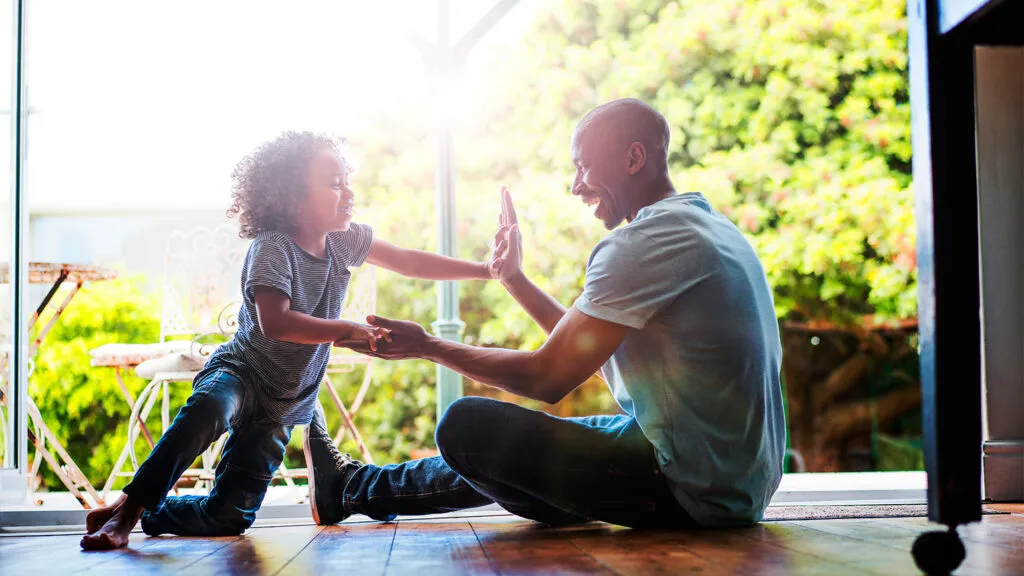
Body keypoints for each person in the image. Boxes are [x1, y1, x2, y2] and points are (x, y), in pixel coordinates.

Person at [305, 98, 786, 529]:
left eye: (584, 167)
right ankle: (350, 490)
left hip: (688, 489)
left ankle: (352, 488)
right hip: (734, 480)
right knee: (540, 440)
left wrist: (425, 345)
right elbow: (582, 349)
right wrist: (512, 277)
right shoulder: (706, 226)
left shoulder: (643, 243)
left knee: (466, 428)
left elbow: (547, 378)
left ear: (633, 158)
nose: (577, 187)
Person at [81, 131, 500, 550]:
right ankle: (127, 512)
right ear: (292, 197)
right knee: (210, 407)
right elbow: (276, 323)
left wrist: (487, 270)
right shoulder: (273, 248)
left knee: (229, 517)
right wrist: (347, 329)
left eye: (346, 179)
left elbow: (408, 260)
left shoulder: (344, 240)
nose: (348, 192)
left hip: (284, 403)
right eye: (334, 183)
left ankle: (144, 515)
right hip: (241, 375)